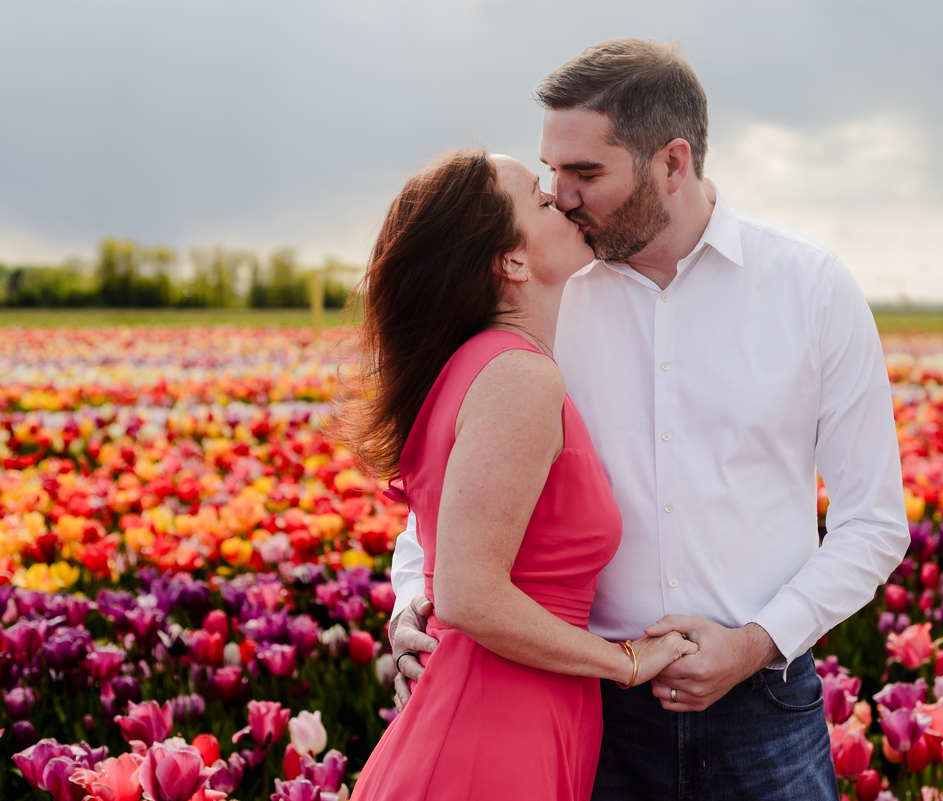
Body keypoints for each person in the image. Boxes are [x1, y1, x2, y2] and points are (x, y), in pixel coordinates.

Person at [389, 39, 910, 800]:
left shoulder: (812, 288)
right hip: (590, 705)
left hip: (763, 707)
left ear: (672, 164)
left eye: (585, 173)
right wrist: (413, 599)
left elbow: (874, 521)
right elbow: (454, 500)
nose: (561, 195)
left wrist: (753, 642)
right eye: (552, 172)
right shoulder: (548, 294)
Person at [328, 149, 697, 801]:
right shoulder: (519, 375)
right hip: (491, 729)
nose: (567, 202)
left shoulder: (485, 365)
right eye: (543, 200)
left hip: (510, 712)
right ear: (513, 261)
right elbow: (470, 592)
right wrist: (626, 660)